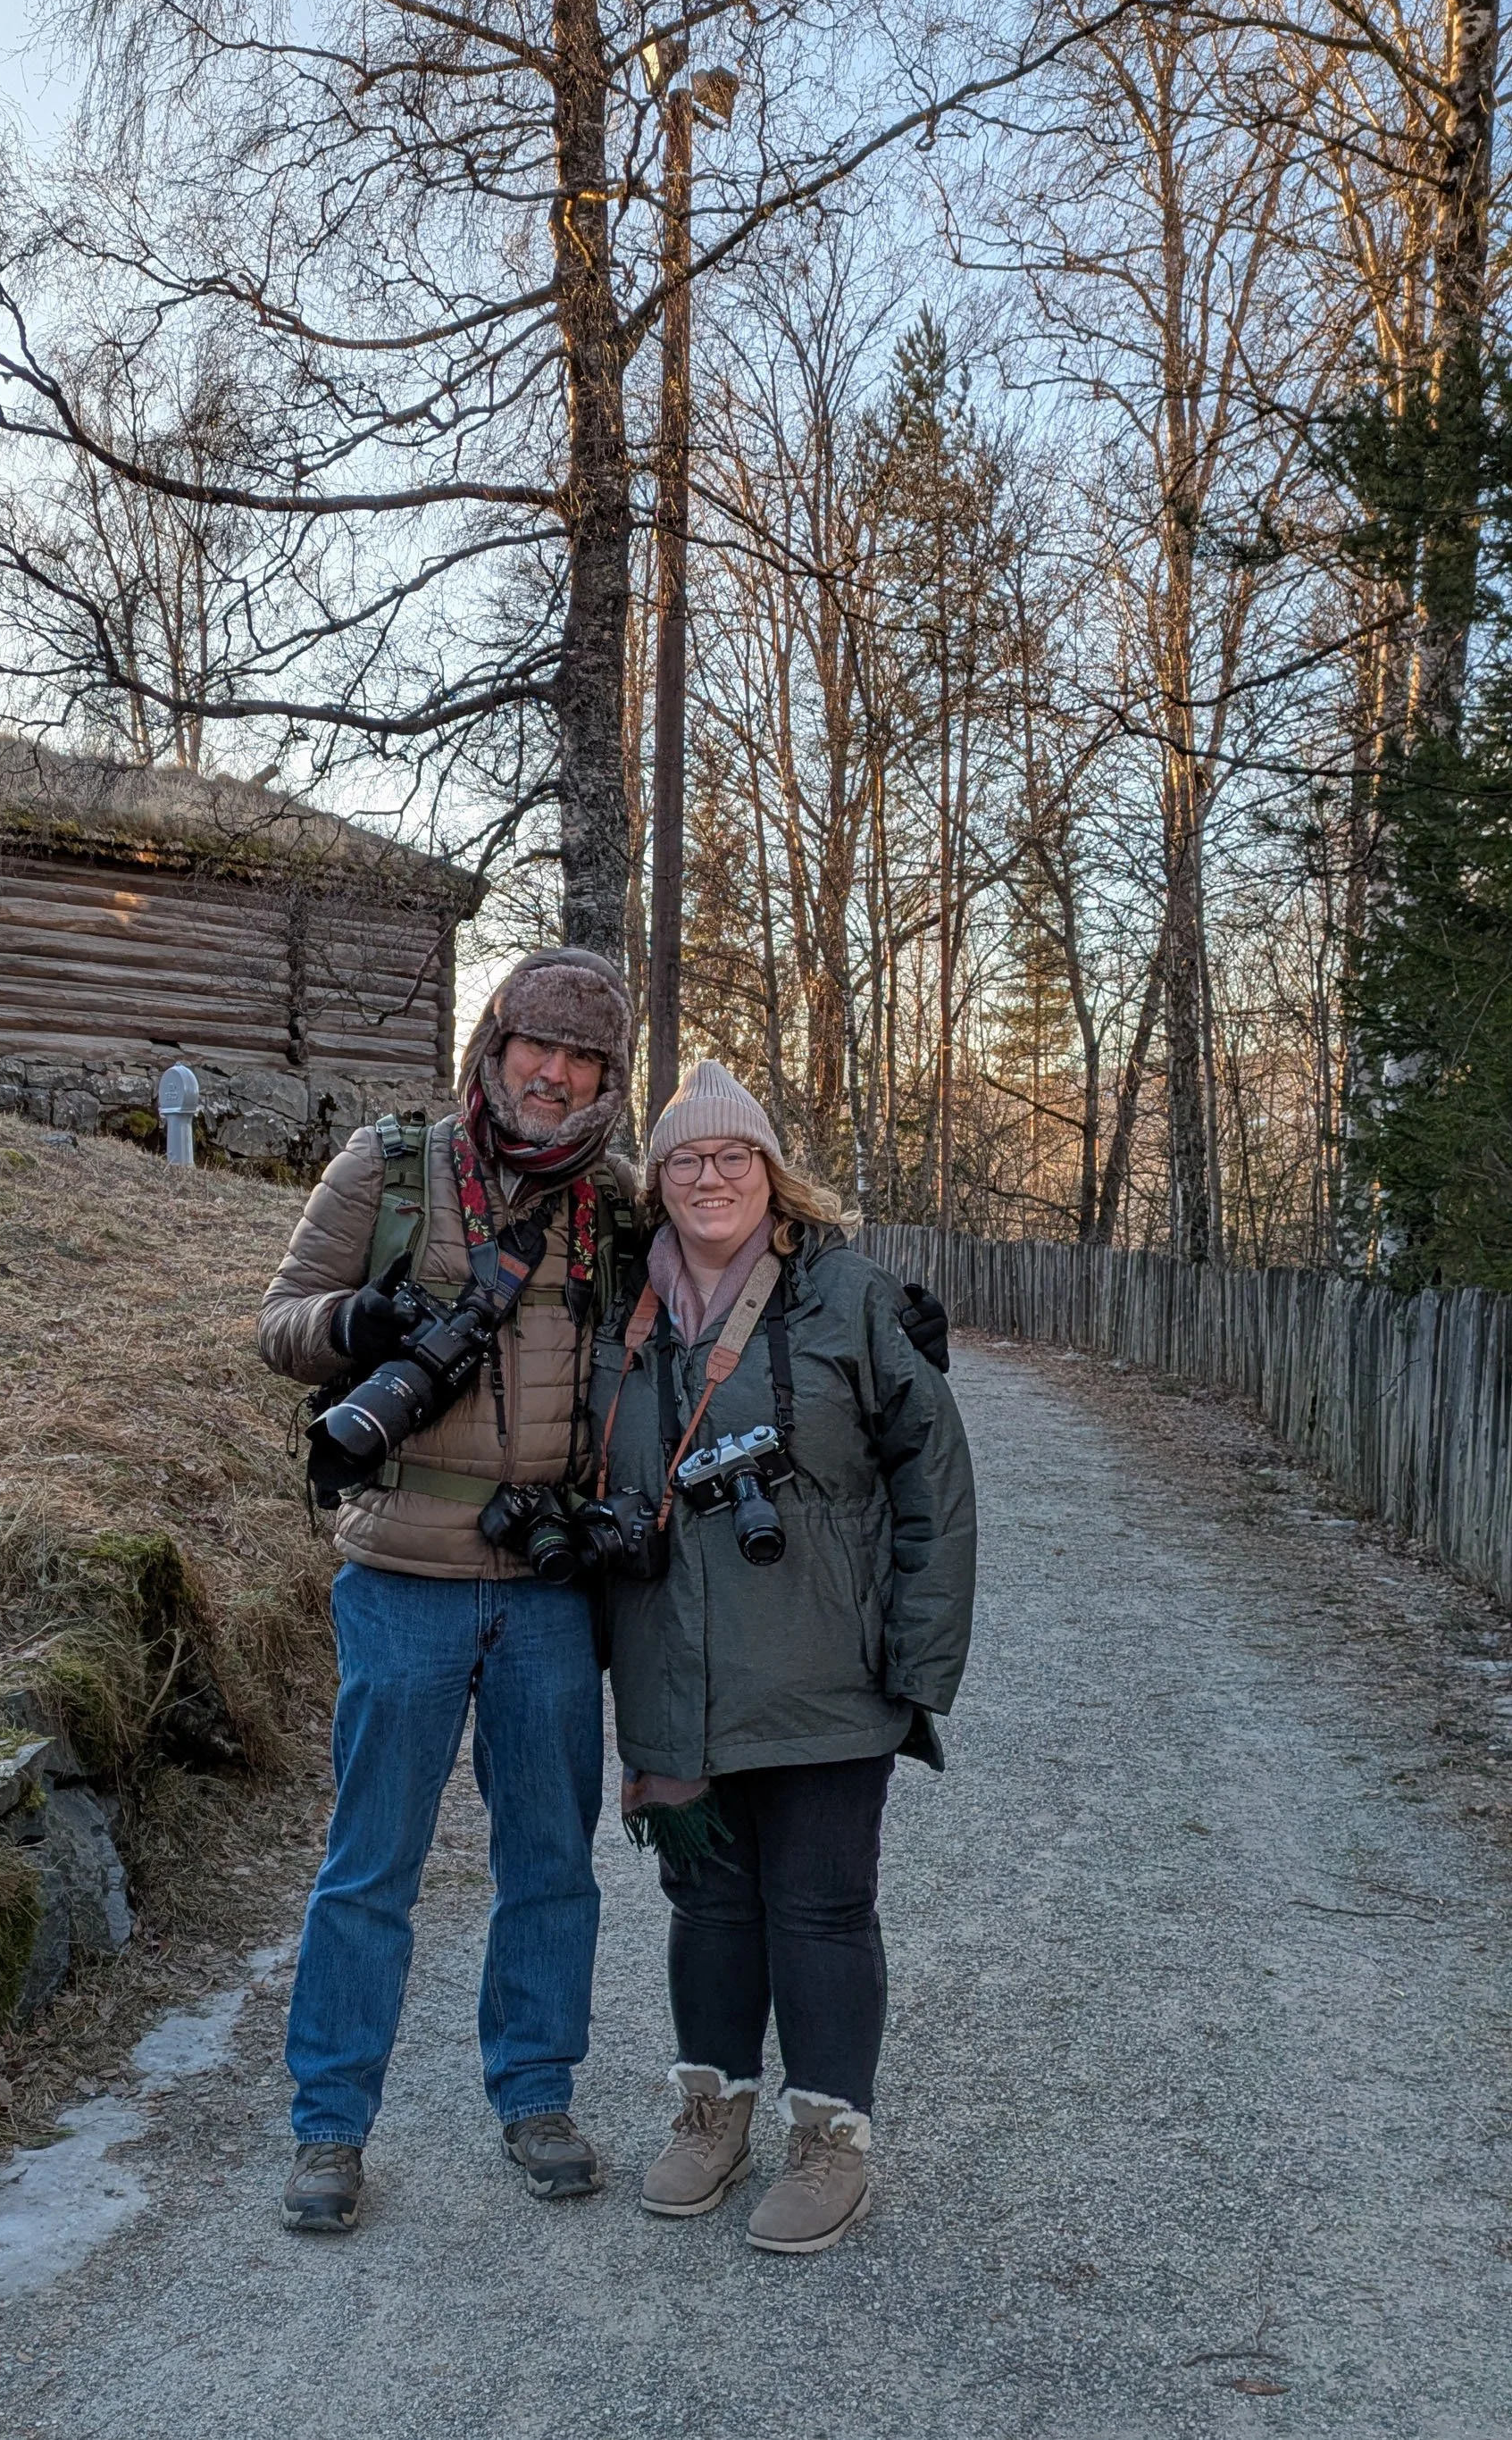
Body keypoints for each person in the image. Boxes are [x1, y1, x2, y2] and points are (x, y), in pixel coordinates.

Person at [256, 948, 641, 2231]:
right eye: (539, 1045)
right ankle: (329, 2130)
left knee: (551, 1861)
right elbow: (277, 1324)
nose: (555, 1072)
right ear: (494, 1044)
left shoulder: (613, 1207)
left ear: (607, 1077)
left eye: (583, 1059)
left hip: (546, 1587)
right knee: (371, 1863)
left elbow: (732, 1263)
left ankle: (536, 2096)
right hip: (402, 1577)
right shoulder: (391, 1165)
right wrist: (359, 1323)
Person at [592, 1057, 977, 2255]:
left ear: (773, 1173)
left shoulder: (853, 1299)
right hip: (676, 1663)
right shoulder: (615, 1307)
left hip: (824, 1668)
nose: (711, 1177)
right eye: (687, 1159)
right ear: (656, 1183)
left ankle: (830, 2134)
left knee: (818, 1904)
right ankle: (713, 2111)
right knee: (705, 1901)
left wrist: (920, 1654)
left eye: (734, 1155)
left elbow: (937, 1482)